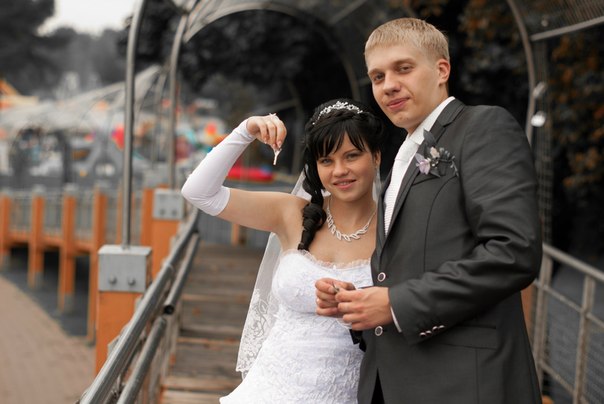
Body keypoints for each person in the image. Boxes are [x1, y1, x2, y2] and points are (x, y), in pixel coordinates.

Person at [316, 18, 543, 403]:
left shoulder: (483, 128)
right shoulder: (402, 156)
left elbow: (513, 251)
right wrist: (360, 303)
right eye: (377, 76)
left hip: (464, 385)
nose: (388, 85)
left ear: (442, 70)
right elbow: (411, 265)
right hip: (392, 381)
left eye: (403, 68)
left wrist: (396, 303)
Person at [181, 98, 384, 403]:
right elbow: (198, 192)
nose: (340, 171)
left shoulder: (394, 228)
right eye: (326, 161)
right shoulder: (292, 213)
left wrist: (356, 304)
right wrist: (246, 130)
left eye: (352, 156)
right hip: (266, 391)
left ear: (376, 156)